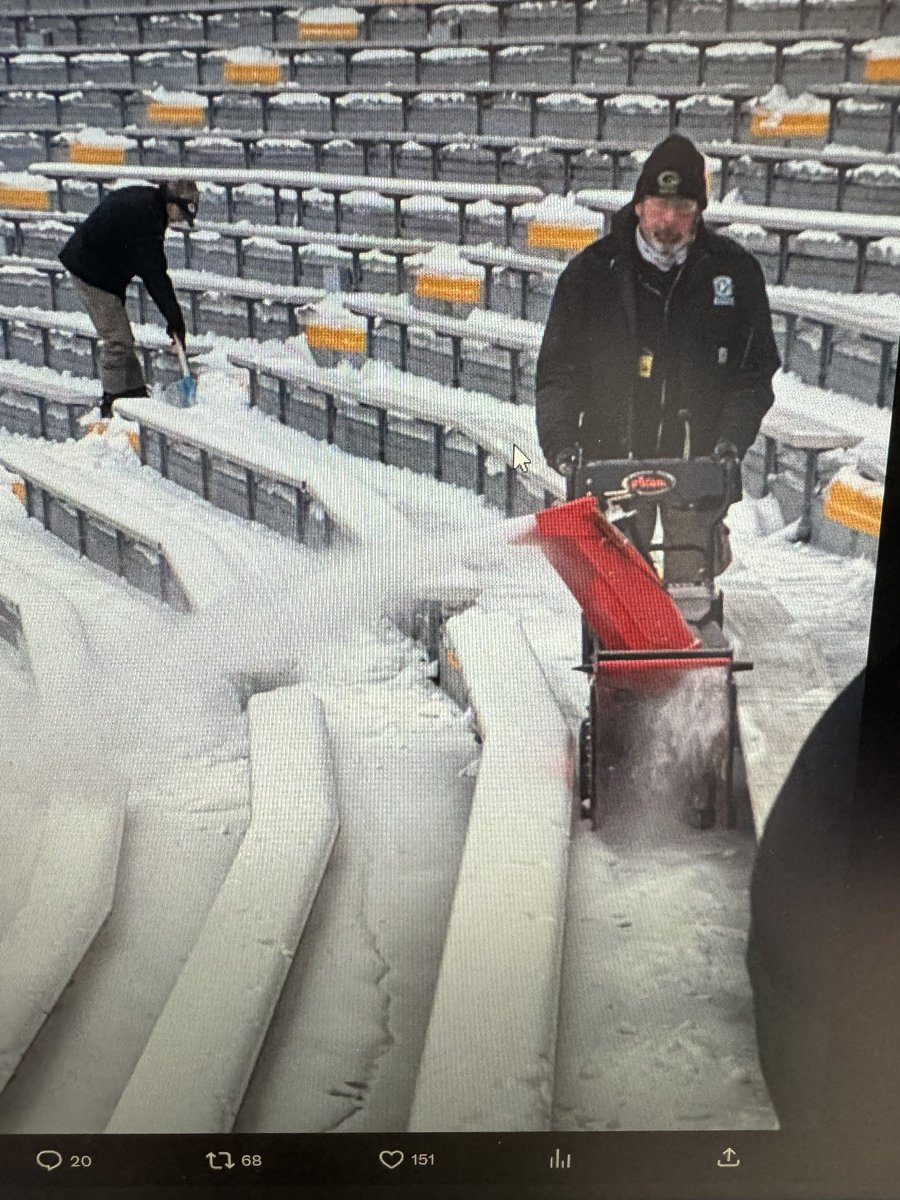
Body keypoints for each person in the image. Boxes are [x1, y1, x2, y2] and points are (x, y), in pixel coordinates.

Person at [536, 133, 780, 584]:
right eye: (658, 206)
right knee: (623, 599)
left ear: (700, 213)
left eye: (683, 209)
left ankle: (691, 647)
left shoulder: (735, 273)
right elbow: (559, 371)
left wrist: (731, 441)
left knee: (693, 598)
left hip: (697, 463)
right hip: (611, 463)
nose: (669, 220)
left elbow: (754, 373)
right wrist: (561, 442)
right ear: (638, 204)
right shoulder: (592, 274)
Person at [59, 178, 200, 419]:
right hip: (90, 272)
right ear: (173, 203)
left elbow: (152, 270)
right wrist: (175, 320)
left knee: (123, 338)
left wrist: (173, 320)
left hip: (103, 271)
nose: (179, 221)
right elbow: (155, 275)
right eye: (181, 214)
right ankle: (112, 404)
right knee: (118, 341)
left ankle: (135, 396)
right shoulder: (146, 217)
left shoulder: (149, 204)